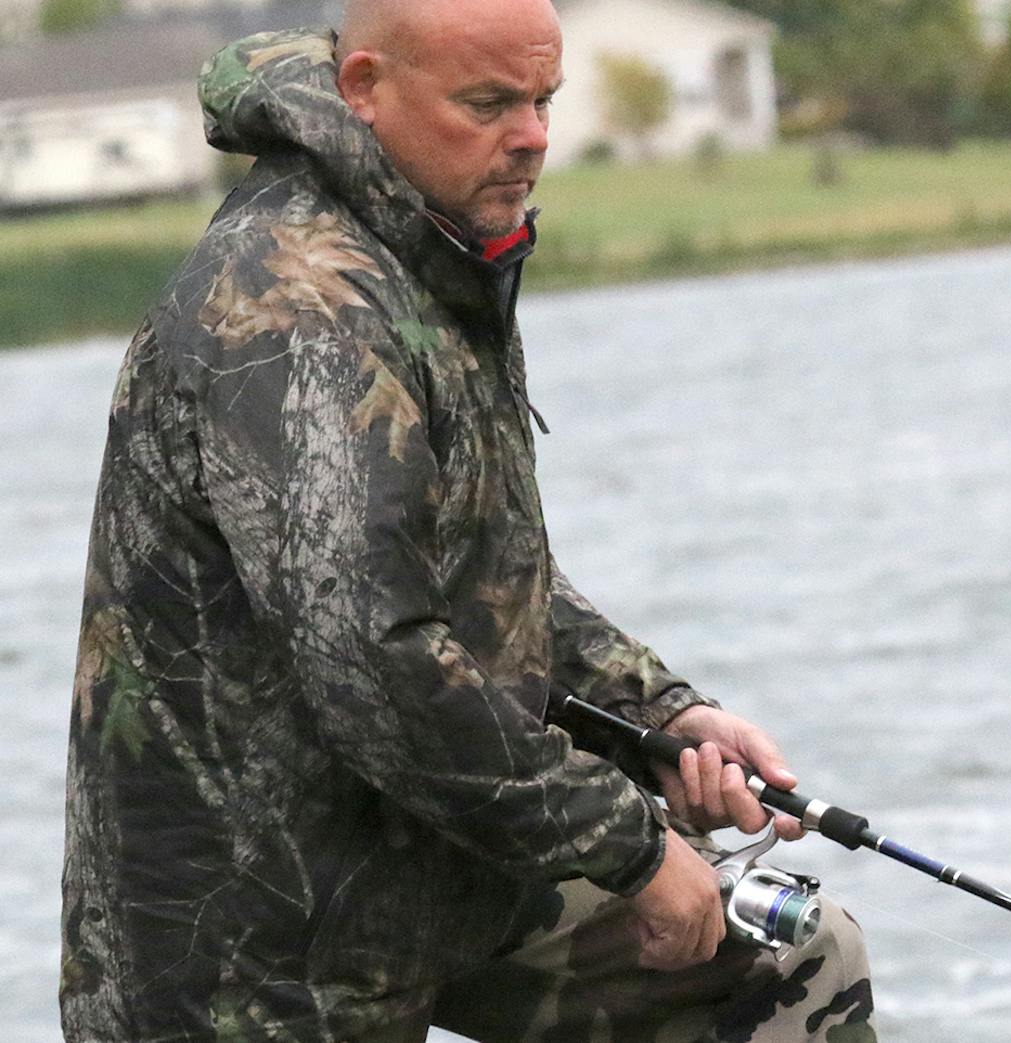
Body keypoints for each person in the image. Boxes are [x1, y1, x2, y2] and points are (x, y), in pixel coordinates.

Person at [61, 1, 875, 1040]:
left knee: (793, 962)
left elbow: (469, 575)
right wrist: (631, 844)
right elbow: (376, 659)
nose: (531, 134)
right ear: (364, 88)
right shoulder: (297, 303)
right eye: (488, 103)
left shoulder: (430, 250)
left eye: (543, 100)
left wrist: (660, 714)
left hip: (436, 868)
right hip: (253, 940)